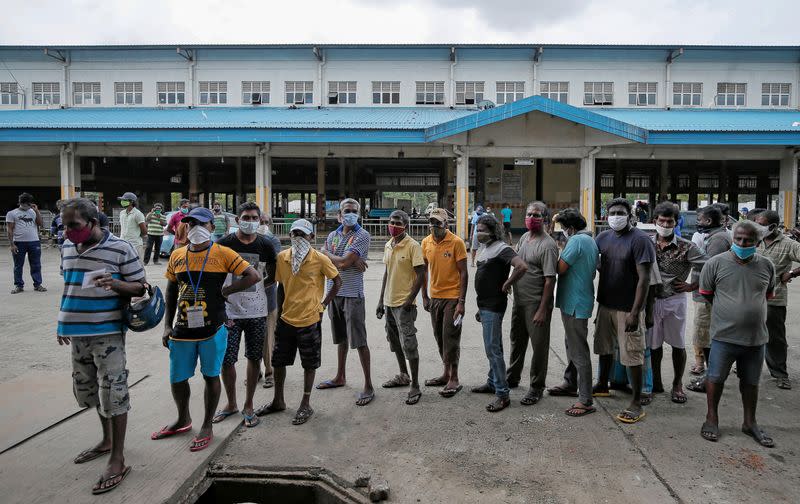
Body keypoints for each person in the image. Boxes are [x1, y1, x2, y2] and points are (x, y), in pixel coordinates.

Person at [57, 197, 146, 495]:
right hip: (76, 332)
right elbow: (68, 285)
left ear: (93, 223)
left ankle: (117, 458)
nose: (68, 231)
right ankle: (106, 439)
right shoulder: (67, 246)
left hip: (108, 331)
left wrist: (116, 284)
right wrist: (62, 321)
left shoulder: (121, 248)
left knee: (114, 390)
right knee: (90, 390)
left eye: (74, 225)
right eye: (65, 225)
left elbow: (141, 287)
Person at [154, 207, 261, 451]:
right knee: (178, 377)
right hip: (181, 329)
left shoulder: (223, 253)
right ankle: (183, 418)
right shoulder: (177, 255)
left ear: (213, 227)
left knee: (211, 375)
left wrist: (226, 291)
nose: (197, 229)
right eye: (191, 224)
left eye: (202, 224)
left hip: (213, 327)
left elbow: (252, 275)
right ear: (185, 227)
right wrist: (166, 326)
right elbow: (171, 291)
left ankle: (206, 425)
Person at [699, 221, 776, 447]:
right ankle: (711, 418)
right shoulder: (715, 264)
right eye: (739, 239)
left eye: (748, 240)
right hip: (724, 336)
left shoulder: (766, 266)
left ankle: (749, 422)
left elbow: (767, 294)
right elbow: (707, 293)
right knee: (715, 378)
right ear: (733, 239)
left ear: (757, 242)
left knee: (751, 382)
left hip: (756, 339)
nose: (742, 244)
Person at [257, 219, 341, 425]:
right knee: (278, 361)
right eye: (295, 234)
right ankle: (278, 400)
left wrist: (323, 305)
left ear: (311, 237)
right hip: (286, 319)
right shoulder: (283, 258)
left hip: (309, 319)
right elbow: (278, 285)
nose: (298, 238)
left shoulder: (320, 259)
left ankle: (306, 402)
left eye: (303, 234)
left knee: (309, 363)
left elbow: (337, 281)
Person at [213, 203, 277, 427]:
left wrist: (257, 291)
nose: (249, 221)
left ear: (260, 220)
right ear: (237, 219)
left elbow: (272, 276)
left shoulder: (266, 245)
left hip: (256, 312)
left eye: (253, 217)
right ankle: (231, 403)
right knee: (227, 359)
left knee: (253, 357)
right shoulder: (224, 244)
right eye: (245, 217)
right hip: (229, 312)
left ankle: (248, 404)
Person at [593, 198, 655, 424]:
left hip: (628, 308)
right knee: (604, 347)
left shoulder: (640, 240)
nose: (615, 216)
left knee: (632, 354)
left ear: (630, 215)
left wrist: (635, 312)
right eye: (612, 212)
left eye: (620, 212)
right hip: (606, 305)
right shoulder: (602, 238)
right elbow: (598, 263)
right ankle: (602, 384)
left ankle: (636, 401)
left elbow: (645, 279)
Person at [316, 198, 375, 406]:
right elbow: (335, 261)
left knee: (359, 340)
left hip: (352, 294)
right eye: (346, 211)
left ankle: (368, 385)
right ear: (339, 215)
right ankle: (340, 376)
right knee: (340, 339)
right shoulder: (333, 235)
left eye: (353, 211)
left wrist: (327, 254)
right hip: (333, 293)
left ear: (358, 213)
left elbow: (340, 262)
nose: (350, 214)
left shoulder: (363, 235)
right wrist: (344, 259)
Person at [650, 202, 707, 404]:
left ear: (676, 222)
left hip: (675, 300)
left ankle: (677, 384)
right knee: (653, 345)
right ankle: (655, 381)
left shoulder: (687, 246)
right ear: (654, 220)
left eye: (669, 221)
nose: (665, 224)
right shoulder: (647, 243)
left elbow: (710, 266)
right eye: (662, 220)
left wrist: (693, 285)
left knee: (677, 345)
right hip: (652, 300)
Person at [470, 214, 528, 412]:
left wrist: (508, 283)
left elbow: (521, 266)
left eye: (483, 230)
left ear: (493, 231)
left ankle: (502, 394)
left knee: (492, 349)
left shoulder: (502, 249)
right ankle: (492, 382)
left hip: (494, 305)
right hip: (485, 305)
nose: (479, 233)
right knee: (495, 347)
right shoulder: (486, 249)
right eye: (477, 229)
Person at [547, 209, 599, 417]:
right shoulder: (589, 240)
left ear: (570, 228)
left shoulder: (577, 241)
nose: (562, 233)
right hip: (577, 300)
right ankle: (570, 382)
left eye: (563, 229)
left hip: (576, 302)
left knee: (579, 351)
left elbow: (560, 268)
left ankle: (585, 399)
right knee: (572, 345)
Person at [506, 202, 558, 405]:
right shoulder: (525, 238)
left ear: (545, 219)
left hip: (536, 303)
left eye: (536, 215)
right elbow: (518, 265)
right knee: (516, 342)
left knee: (538, 347)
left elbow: (549, 280)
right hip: (519, 301)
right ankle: (513, 377)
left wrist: (543, 309)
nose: (531, 217)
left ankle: (536, 386)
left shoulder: (548, 245)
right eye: (529, 214)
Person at [377, 210, 426, 405]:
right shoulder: (389, 244)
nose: (393, 225)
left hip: (404, 305)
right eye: (391, 221)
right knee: (395, 341)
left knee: (409, 344)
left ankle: (415, 384)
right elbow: (387, 272)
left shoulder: (413, 246)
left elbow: (421, 275)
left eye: (397, 222)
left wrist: (409, 300)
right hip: (389, 303)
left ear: (406, 225)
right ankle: (403, 375)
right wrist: (381, 300)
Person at [420, 208, 468, 397]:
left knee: (450, 337)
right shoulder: (425, 242)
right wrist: (424, 296)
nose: (434, 226)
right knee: (439, 337)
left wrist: (461, 302)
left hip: (453, 297)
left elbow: (464, 272)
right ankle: (445, 373)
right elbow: (423, 270)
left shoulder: (456, 242)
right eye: (431, 222)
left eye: (438, 223)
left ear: (446, 224)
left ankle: (454, 378)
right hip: (435, 297)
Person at [687, 205, 732, 393]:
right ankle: (711, 376)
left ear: (709, 221)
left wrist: (693, 286)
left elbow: (710, 269)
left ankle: (711, 378)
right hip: (705, 295)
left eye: (700, 219)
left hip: (708, 298)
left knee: (706, 339)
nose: (698, 223)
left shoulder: (719, 239)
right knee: (704, 338)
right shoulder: (714, 237)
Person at [752, 210, 800, 390]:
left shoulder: (789, 244)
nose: (758, 227)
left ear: (772, 226)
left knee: (775, 338)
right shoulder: (752, 240)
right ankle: (745, 367)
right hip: (748, 298)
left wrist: (792, 273)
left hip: (774, 299)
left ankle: (780, 373)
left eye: (761, 224)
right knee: (746, 333)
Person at [257, 213, 282, 389]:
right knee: (253, 335)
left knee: (268, 335)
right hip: (247, 298)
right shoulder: (244, 242)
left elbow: (275, 273)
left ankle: (269, 372)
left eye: (267, 222)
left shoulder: (274, 242)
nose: (263, 225)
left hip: (268, 295)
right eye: (261, 222)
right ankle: (255, 369)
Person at [7, 192, 46, 293]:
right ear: (21, 203)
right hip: (19, 242)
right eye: (26, 204)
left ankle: (38, 284)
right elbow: (9, 229)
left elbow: (40, 224)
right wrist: (12, 244)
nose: (28, 206)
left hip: (34, 242)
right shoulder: (12, 213)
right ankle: (19, 285)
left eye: (29, 204)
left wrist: (37, 211)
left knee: (36, 264)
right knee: (18, 265)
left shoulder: (33, 212)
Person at [117, 192, 146, 259]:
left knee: (137, 265)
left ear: (131, 202)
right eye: (122, 200)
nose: (122, 202)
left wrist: (135, 236)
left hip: (135, 245)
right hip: (123, 243)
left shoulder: (138, 214)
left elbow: (144, 231)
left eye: (124, 200)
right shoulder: (122, 213)